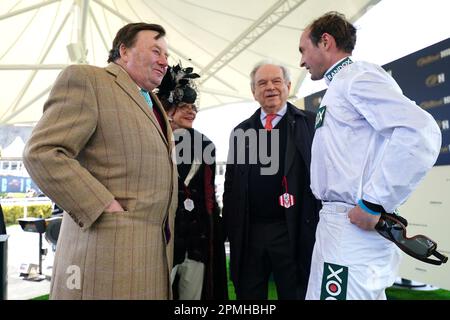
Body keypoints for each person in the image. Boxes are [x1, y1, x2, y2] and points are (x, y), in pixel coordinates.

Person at [22, 23, 178, 300]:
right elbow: (43, 152)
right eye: (156, 51)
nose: (165, 61)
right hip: (105, 254)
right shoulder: (88, 79)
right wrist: (103, 206)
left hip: (151, 257)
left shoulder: (153, 103)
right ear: (124, 50)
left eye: (166, 54)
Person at [298, 12, 442, 300]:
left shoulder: (357, 77)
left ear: (325, 42)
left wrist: (375, 201)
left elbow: (420, 131)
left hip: (352, 225)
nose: (301, 60)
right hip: (338, 225)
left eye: (303, 50)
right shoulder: (340, 85)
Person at [222, 61, 321, 300]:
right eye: (262, 83)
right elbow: (231, 184)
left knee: (294, 292)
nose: (270, 88)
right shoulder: (241, 131)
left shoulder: (311, 123)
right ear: (253, 92)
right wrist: (229, 227)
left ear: (287, 86)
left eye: (276, 81)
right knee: (249, 295)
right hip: (250, 232)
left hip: (293, 230)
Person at [156, 64, 228, 300]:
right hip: (163, 242)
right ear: (168, 108)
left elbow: (209, 195)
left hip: (197, 242)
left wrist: (215, 229)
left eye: (193, 107)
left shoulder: (205, 145)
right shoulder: (153, 141)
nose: (191, 111)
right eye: (184, 106)